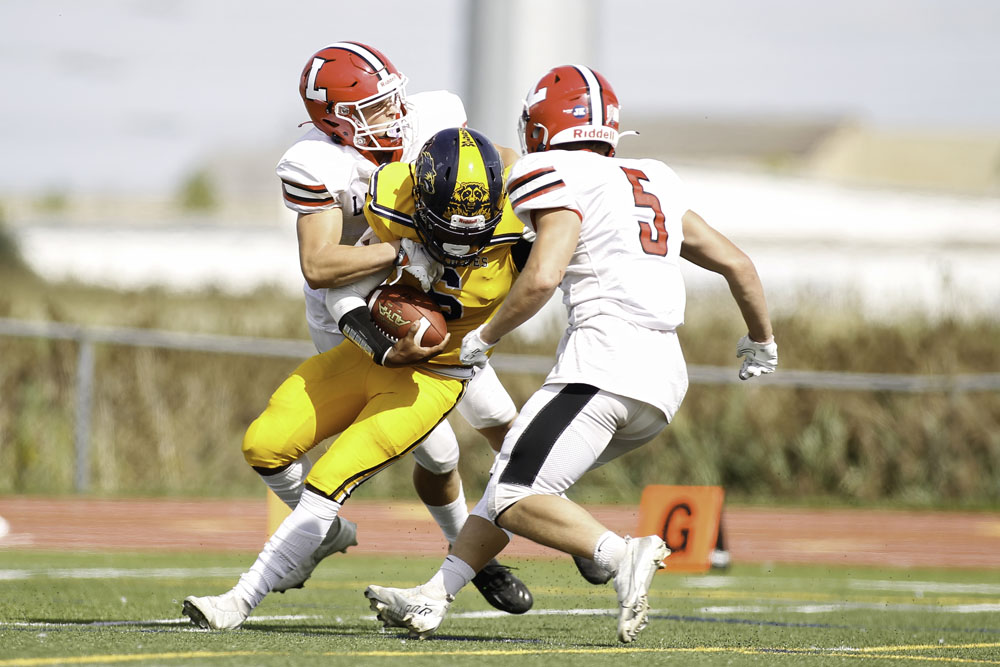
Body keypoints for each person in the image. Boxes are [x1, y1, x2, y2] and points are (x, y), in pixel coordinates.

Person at [364, 64, 778, 644]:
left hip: (602, 366)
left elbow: (541, 277)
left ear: (540, 126)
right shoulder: (652, 176)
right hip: (662, 383)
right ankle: (433, 598)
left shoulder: (550, 169)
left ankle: (617, 552)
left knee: (514, 495)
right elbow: (738, 264)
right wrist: (762, 341)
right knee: (513, 477)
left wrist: (481, 340)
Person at [182, 126, 533, 630]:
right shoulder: (395, 202)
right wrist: (386, 347)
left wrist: (489, 336)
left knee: (330, 480)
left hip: (438, 376)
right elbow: (344, 295)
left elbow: (548, 282)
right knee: (264, 444)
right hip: (373, 355)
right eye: (446, 227)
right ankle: (326, 538)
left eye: (470, 230)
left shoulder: (523, 225)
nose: (458, 241)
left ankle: (238, 601)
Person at [262, 42, 530, 611]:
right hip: (360, 313)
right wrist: (402, 250)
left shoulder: (433, 117)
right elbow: (319, 265)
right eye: (376, 108)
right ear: (335, 119)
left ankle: (559, 525)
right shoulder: (316, 164)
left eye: (392, 100)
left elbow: (503, 163)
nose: (396, 115)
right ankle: (465, 549)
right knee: (437, 455)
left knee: (503, 422)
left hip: (438, 304)